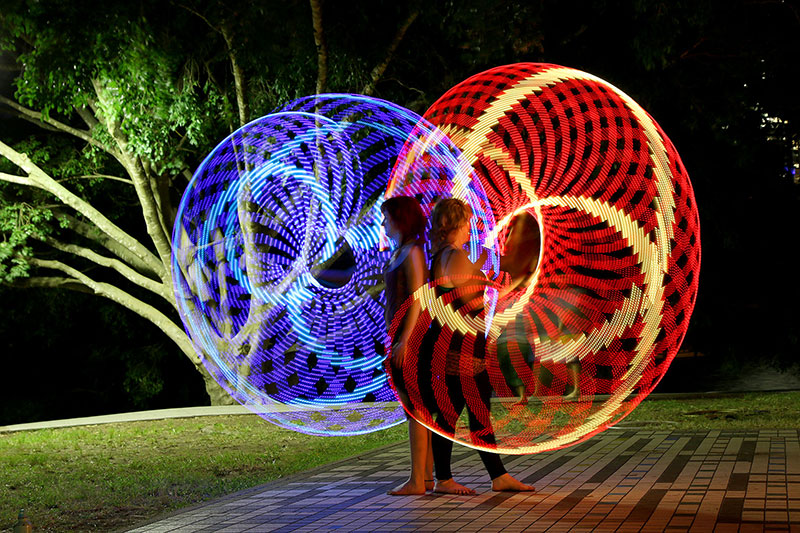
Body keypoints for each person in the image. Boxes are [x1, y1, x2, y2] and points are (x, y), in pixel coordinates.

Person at [423, 198, 535, 494]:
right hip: (462, 348)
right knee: (461, 410)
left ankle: (481, 476)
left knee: (464, 410)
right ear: (458, 224)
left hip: (455, 344)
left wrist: (504, 282)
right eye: (468, 222)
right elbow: (478, 301)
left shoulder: (441, 256)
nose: (471, 228)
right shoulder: (455, 257)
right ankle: (451, 478)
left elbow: (480, 295)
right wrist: (510, 281)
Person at [381, 195, 434, 495]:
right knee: (413, 406)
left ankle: (417, 480)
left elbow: (418, 298)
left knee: (415, 406)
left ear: (400, 219)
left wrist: (405, 339)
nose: (383, 223)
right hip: (398, 334)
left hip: (410, 337)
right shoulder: (399, 251)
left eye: (386, 217)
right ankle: (424, 476)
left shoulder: (413, 252)